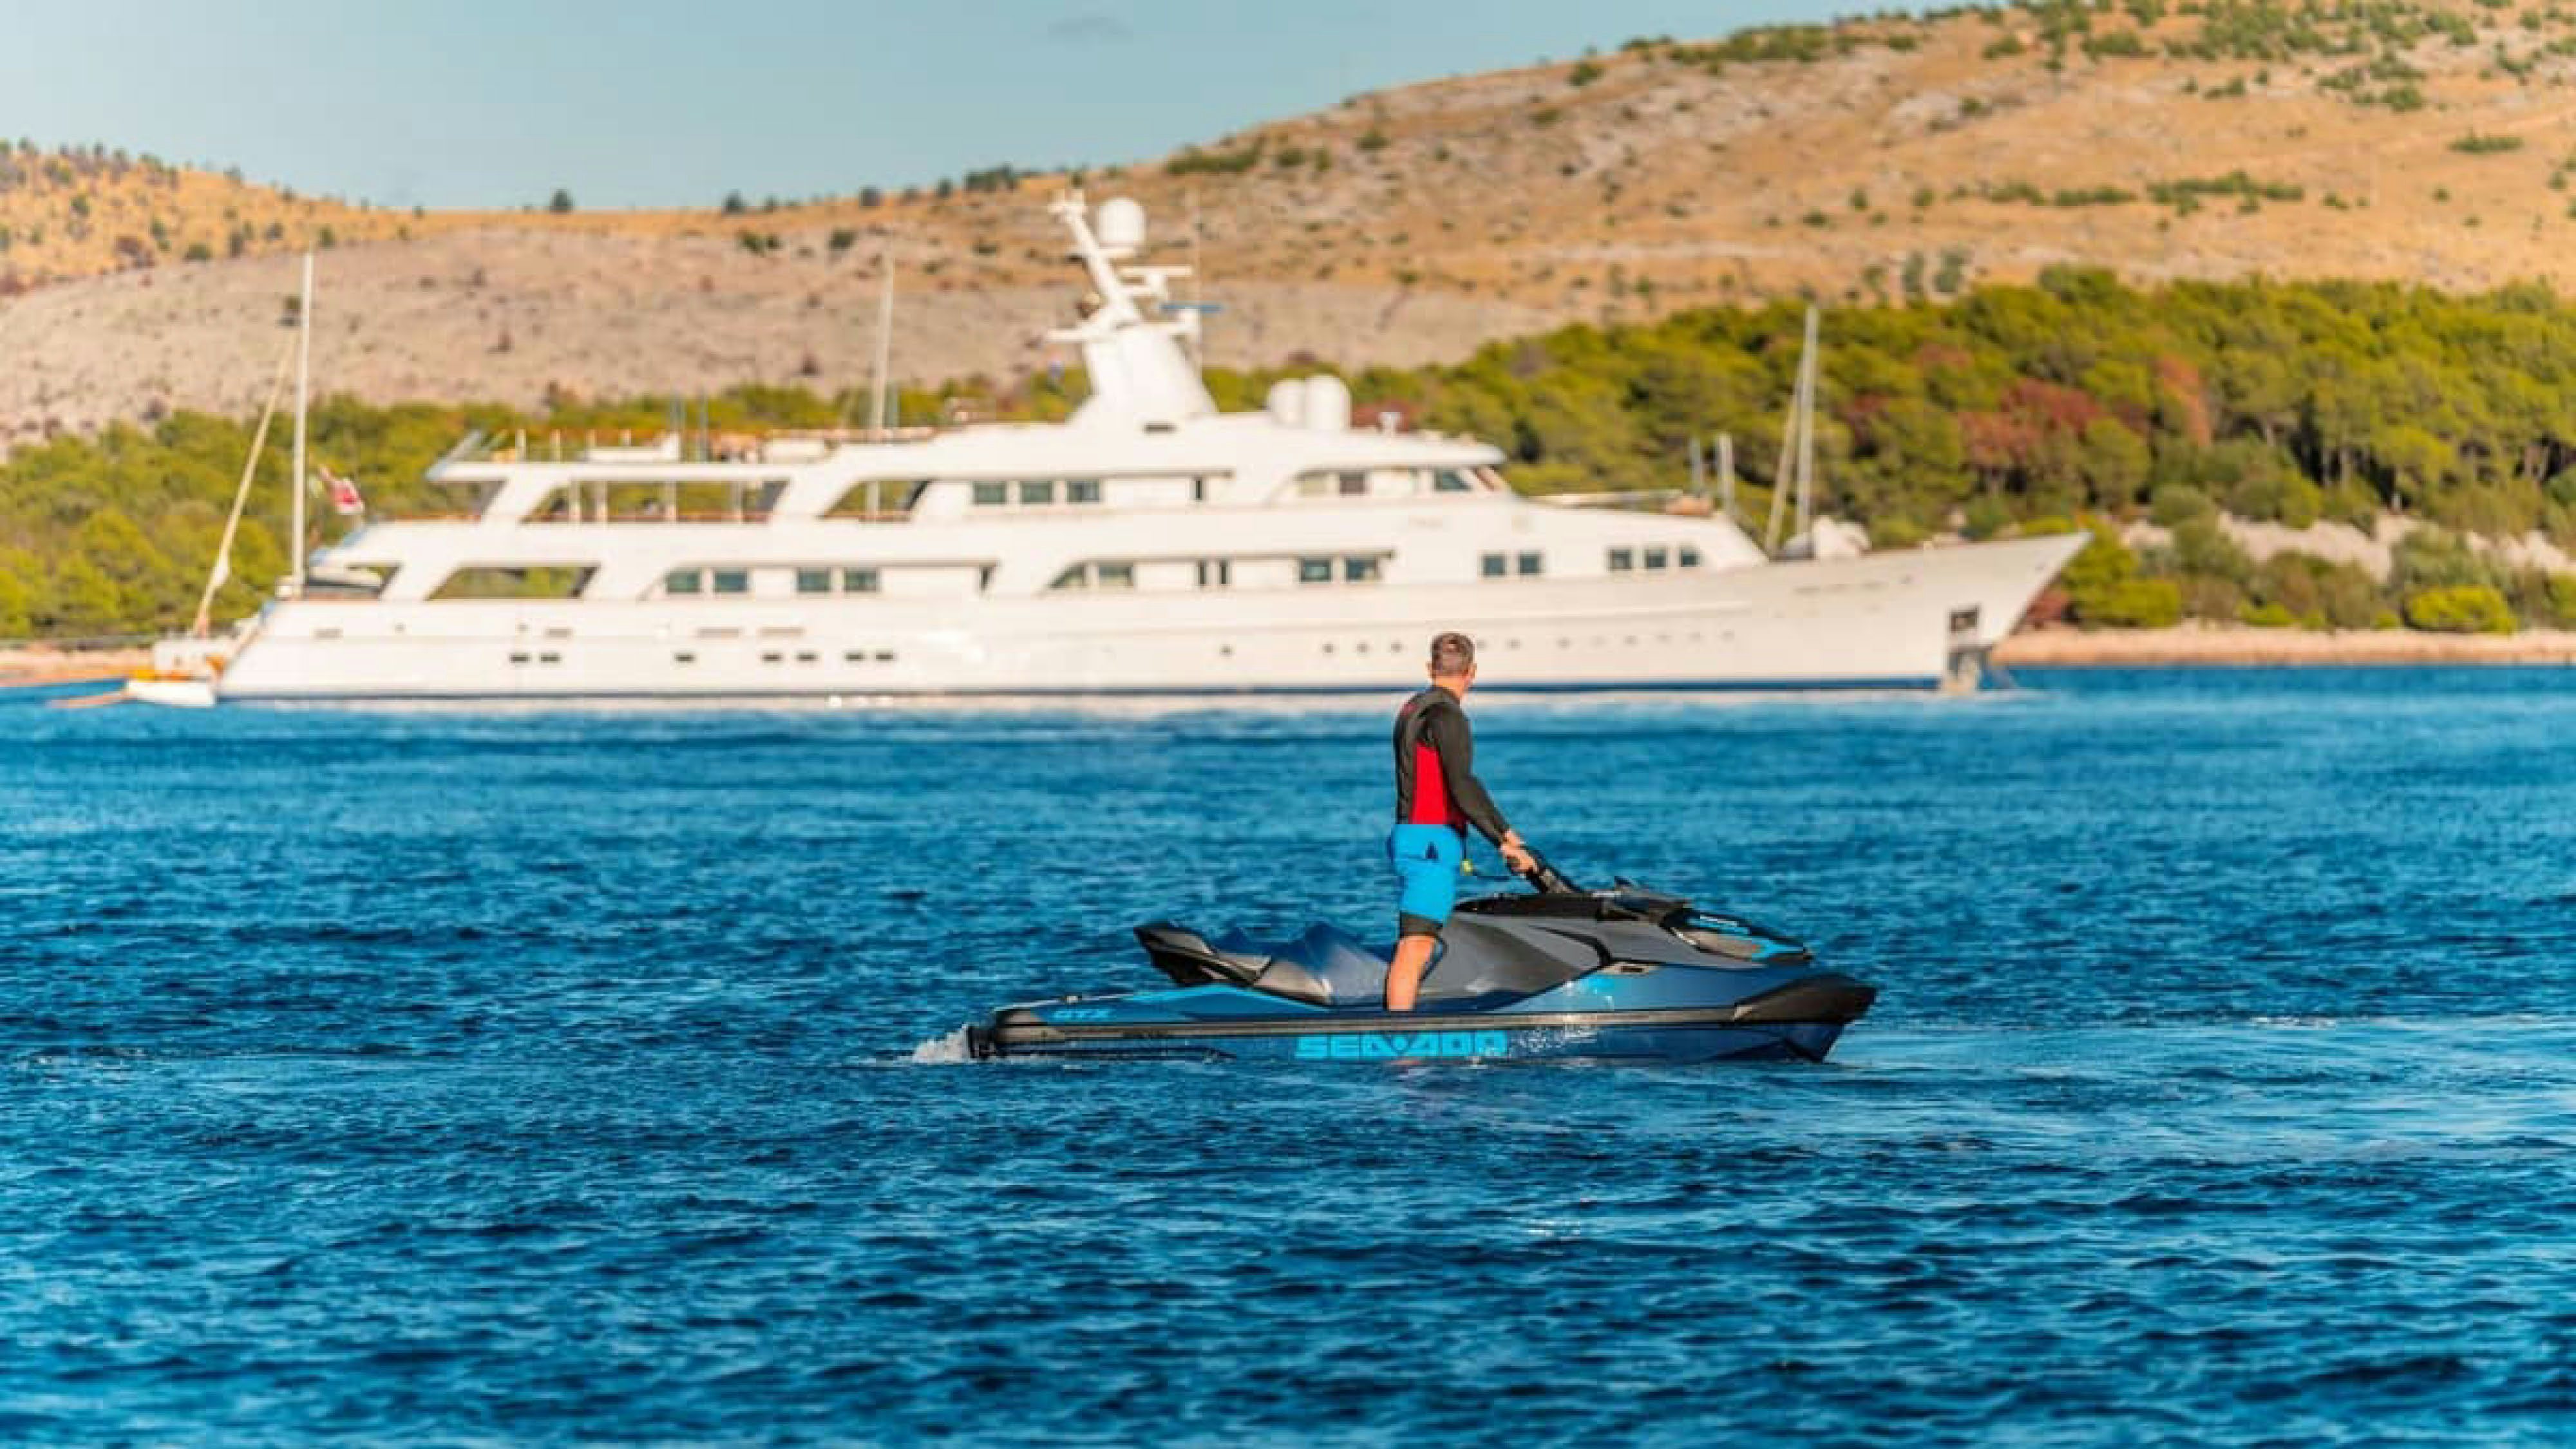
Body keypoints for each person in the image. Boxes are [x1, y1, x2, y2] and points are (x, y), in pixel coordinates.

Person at [1385, 631, 1534, 1012]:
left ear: (1429, 669)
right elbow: (1462, 784)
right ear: (1472, 672)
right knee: (1416, 944)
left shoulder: (1412, 707)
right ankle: (1398, 1041)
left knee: (1425, 939)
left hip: (1415, 836)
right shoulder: (1448, 715)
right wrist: (1503, 837)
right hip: (1431, 843)